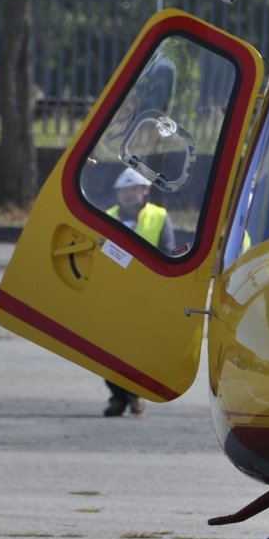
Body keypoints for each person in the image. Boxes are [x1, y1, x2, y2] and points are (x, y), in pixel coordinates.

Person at [101, 167, 177, 417]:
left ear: (145, 190)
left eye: (133, 189)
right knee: (107, 348)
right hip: (114, 294)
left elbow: (167, 251)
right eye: (123, 191)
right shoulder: (106, 217)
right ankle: (120, 396)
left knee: (137, 351)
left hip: (146, 296)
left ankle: (132, 394)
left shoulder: (159, 216)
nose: (128, 195)